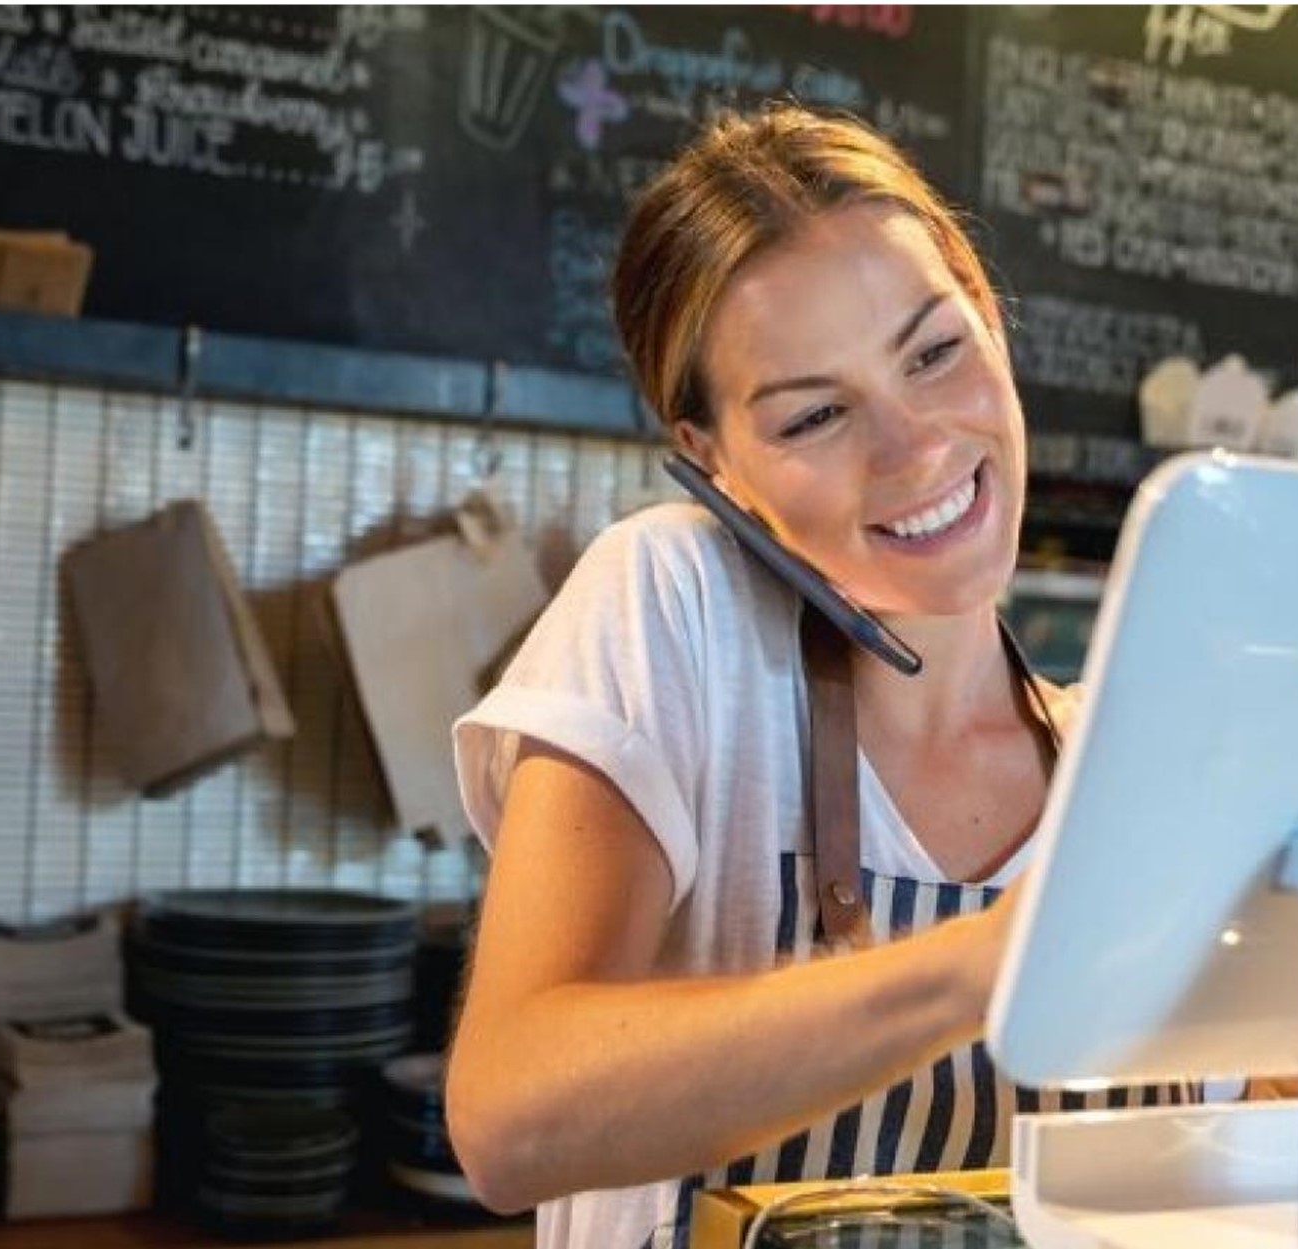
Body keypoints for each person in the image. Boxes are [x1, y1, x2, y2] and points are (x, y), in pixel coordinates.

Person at [446, 104, 1190, 1249]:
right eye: (814, 415)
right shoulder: (677, 607)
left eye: (937, 351)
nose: (916, 449)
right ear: (714, 462)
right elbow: (508, 1121)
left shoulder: (1137, 763)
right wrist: (981, 965)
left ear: (991, 320)